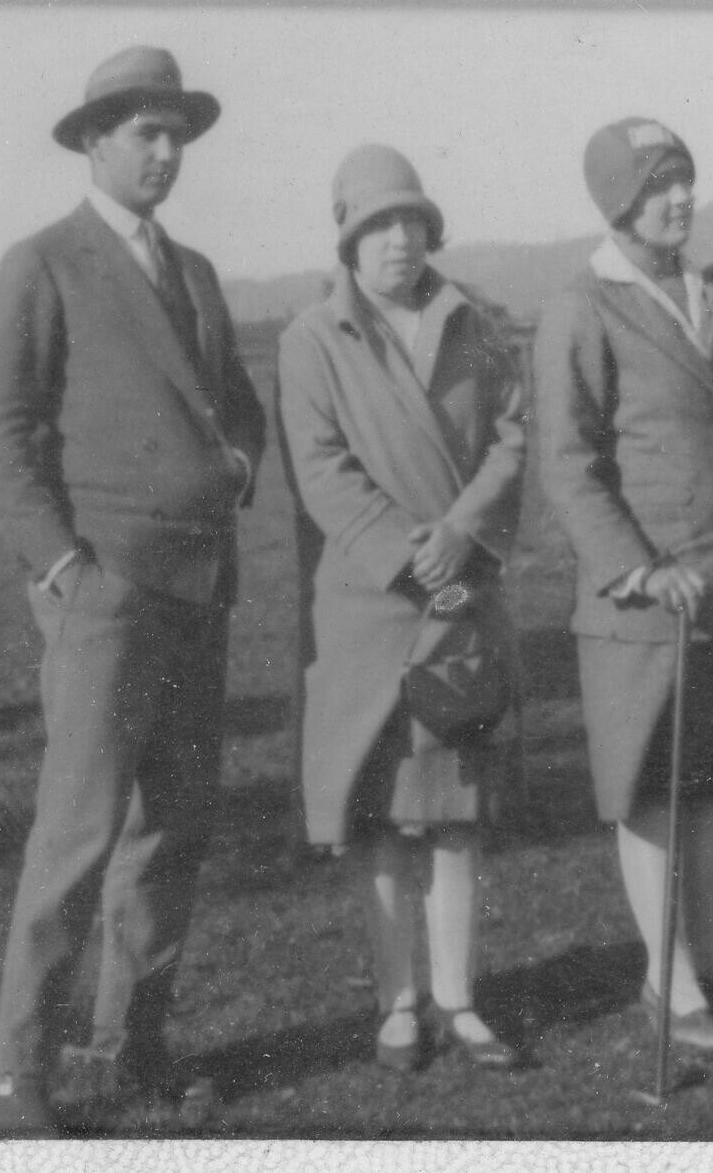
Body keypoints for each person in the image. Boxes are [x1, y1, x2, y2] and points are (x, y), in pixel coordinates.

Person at [0, 44, 267, 1130]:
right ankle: (17, 1076)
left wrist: (234, 461)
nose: (165, 150)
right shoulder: (43, 263)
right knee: (78, 838)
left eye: (176, 131)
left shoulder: (194, 273)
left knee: (170, 833)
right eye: (143, 131)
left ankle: (130, 1045)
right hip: (104, 594)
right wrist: (60, 567)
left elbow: (238, 407)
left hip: (199, 590)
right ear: (92, 142)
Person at [534, 118, 713, 1055]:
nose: (681, 200)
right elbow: (565, 463)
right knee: (653, 784)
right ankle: (666, 976)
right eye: (659, 187)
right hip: (644, 601)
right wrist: (638, 566)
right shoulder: (584, 303)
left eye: (686, 180)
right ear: (619, 203)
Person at [276, 145, 528, 1073]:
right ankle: (398, 1002)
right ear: (346, 239)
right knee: (381, 813)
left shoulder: (479, 325)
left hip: (461, 595)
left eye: (411, 222)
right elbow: (321, 472)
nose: (396, 242)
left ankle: (460, 1000)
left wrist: (461, 534)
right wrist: (406, 555)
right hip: (368, 606)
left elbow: (511, 441)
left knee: (455, 810)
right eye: (376, 225)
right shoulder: (311, 341)